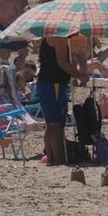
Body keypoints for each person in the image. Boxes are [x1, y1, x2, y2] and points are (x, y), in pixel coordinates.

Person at [37, 35, 86, 166]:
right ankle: (59, 159)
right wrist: (80, 75)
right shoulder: (59, 36)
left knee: (51, 124)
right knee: (57, 125)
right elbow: (62, 61)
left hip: (48, 82)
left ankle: (52, 159)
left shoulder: (50, 36)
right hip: (54, 83)